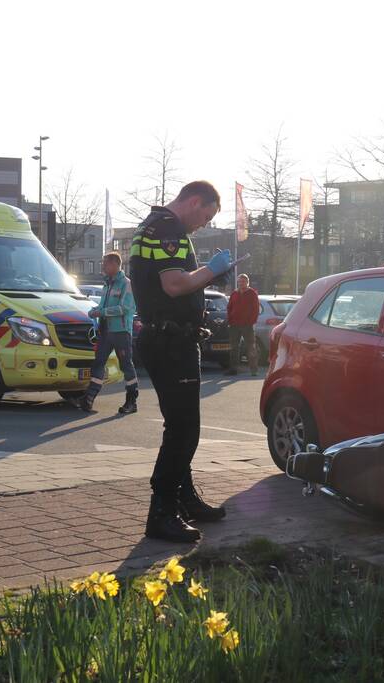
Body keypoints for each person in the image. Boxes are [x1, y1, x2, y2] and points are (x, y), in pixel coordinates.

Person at [130, 180, 235, 543]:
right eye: (204, 217)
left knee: (179, 425)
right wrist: (212, 271)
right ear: (194, 201)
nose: (201, 226)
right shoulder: (169, 230)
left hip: (165, 337)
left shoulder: (151, 225)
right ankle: (162, 511)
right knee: (183, 429)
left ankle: (183, 500)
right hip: (171, 341)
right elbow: (174, 285)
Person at [77, 252, 139, 414]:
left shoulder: (126, 284)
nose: (103, 267)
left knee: (126, 365)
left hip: (121, 332)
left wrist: (101, 312)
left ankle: (132, 401)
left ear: (114, 264)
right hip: (105, 331)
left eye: (105, 264)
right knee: (98, 363)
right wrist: (94, 311)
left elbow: (125, 308)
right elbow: (102, 307)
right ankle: (89, 398)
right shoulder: (107, 284)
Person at [225, 273, 259, 375]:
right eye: (239, 281)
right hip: (234, 324)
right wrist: (230, 320)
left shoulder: (252, 293)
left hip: (247, 325)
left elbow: (256, 309)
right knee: (234, 347)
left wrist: (251, 321)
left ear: (247, 282)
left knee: (251, 347)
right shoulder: (234, 293)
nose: (241, 283)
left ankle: (254, 370)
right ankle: (233, 369)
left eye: (243, 281)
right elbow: (229, 307)